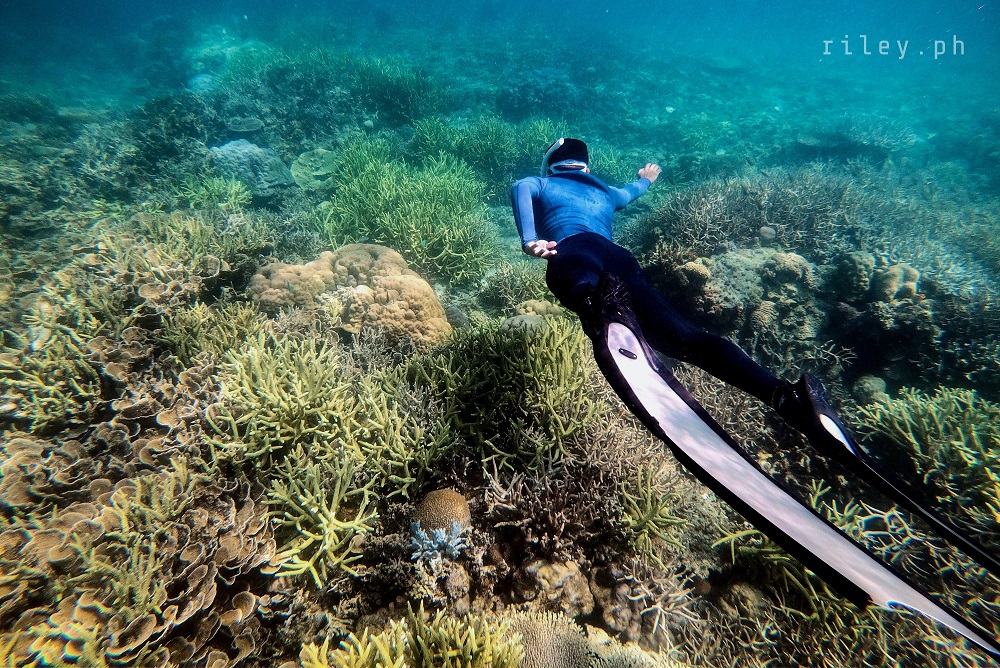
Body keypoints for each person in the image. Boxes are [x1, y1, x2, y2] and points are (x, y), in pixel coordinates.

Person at [510, 137, 812, 430]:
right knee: (683, 338)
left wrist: (529, 241)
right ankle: (781, 394)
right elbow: (632, 191)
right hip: (619, 259)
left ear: (551, 167)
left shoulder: (541, 183)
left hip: (575, 251)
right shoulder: (607, 192)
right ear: (585, 169)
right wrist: (647, 178)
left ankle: (607, 312)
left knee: (588, 298)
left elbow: (520, 187)